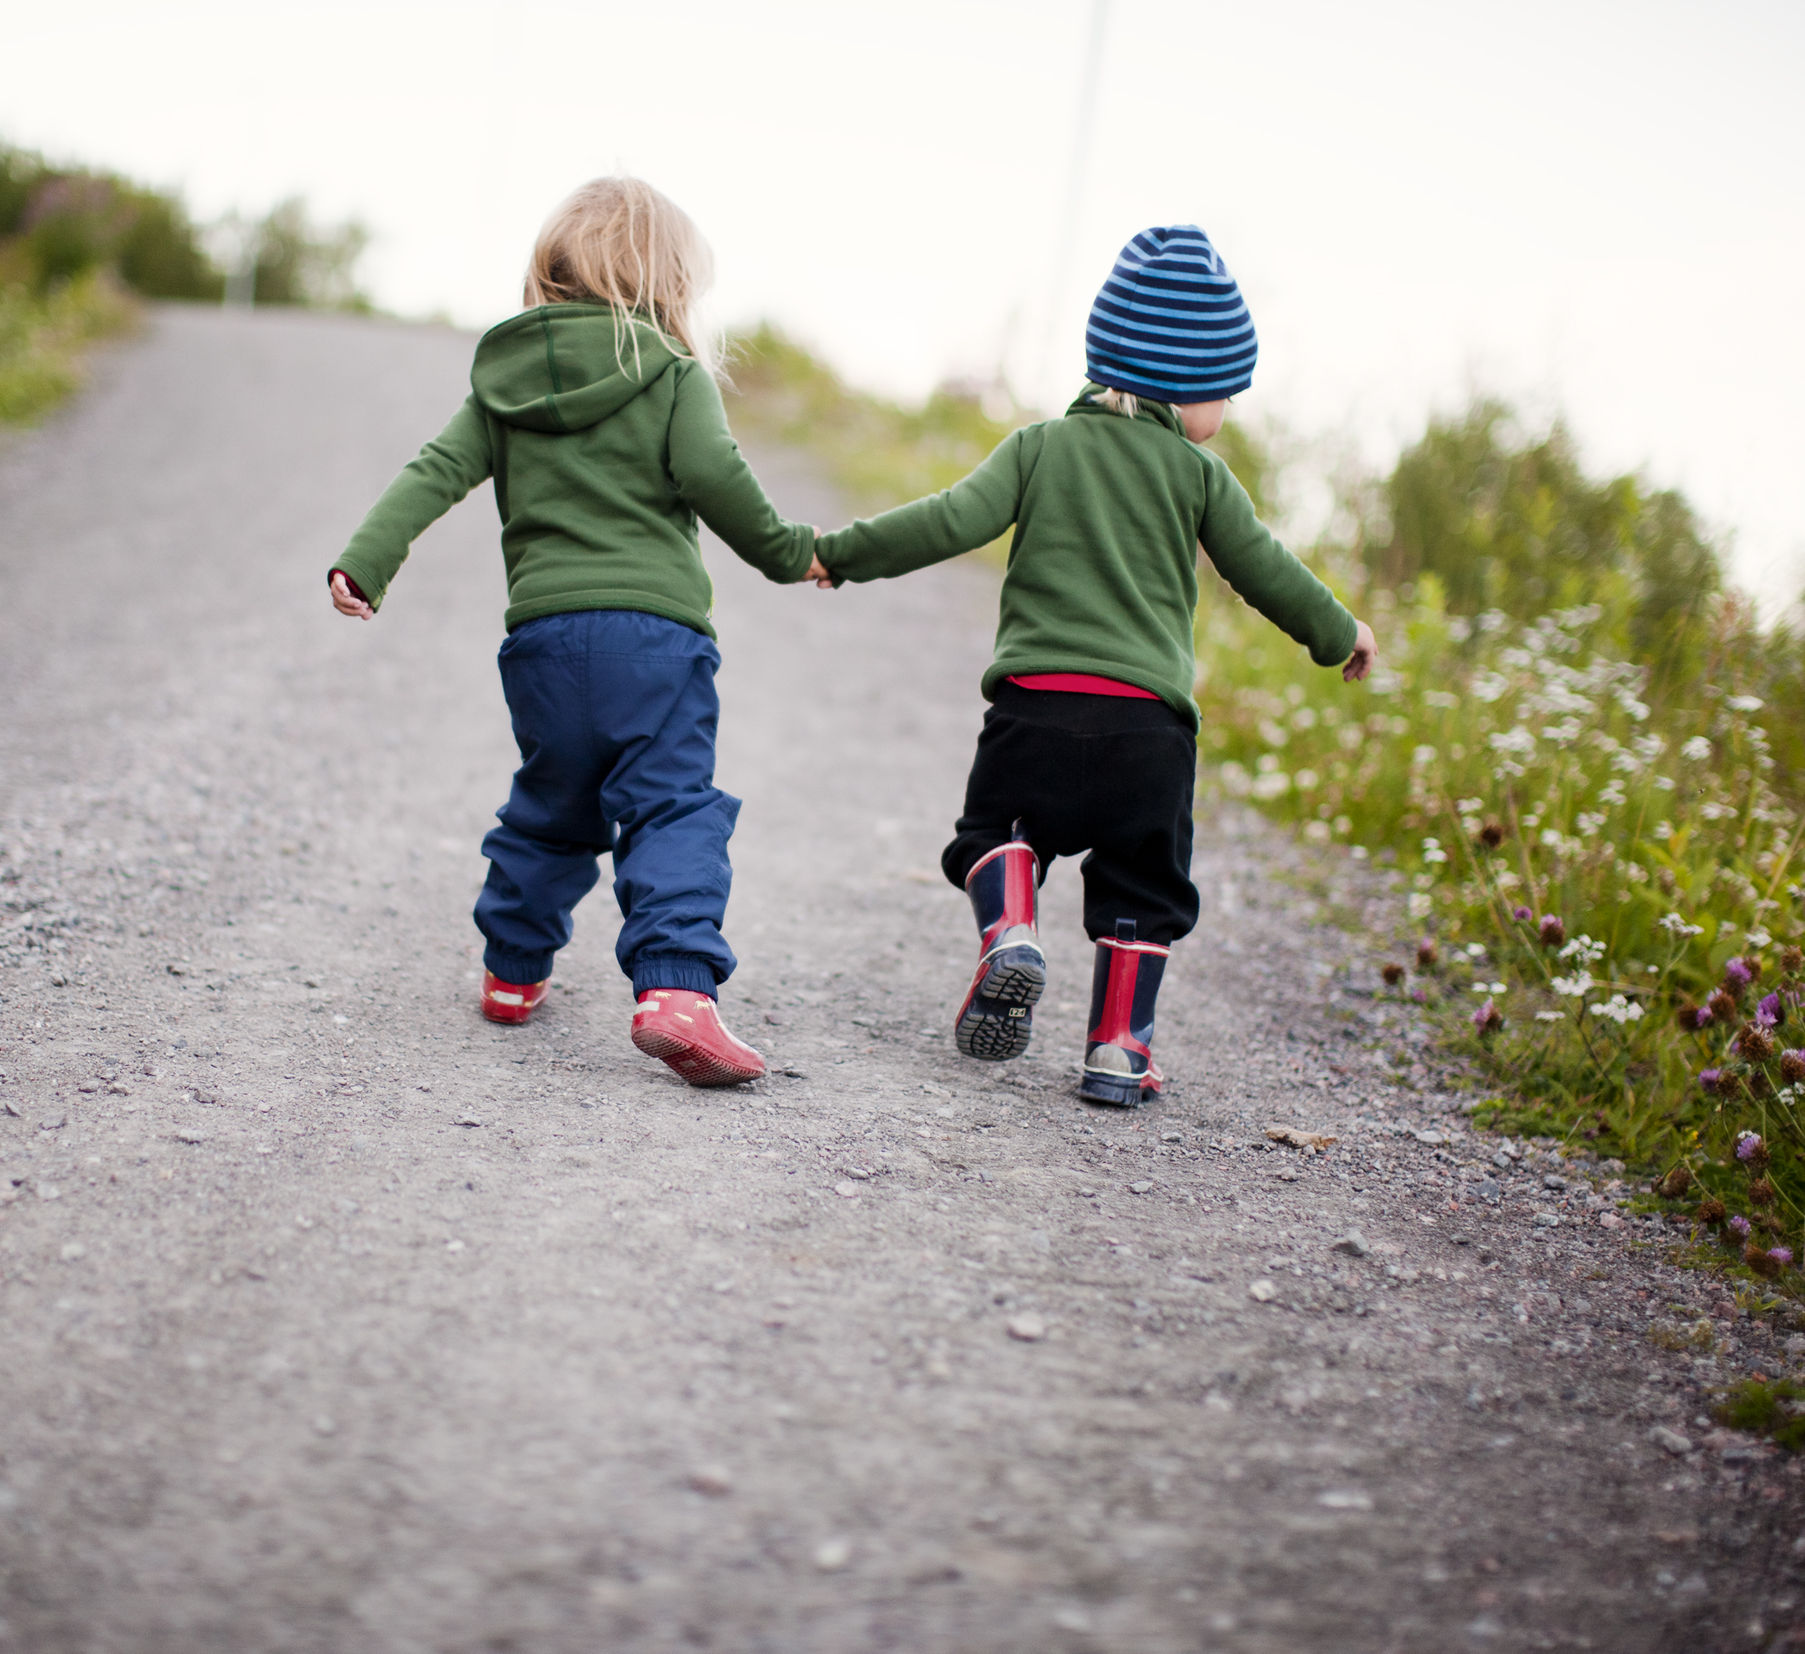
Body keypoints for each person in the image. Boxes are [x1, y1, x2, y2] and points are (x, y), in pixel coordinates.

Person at [809, 225, 1378, 1106]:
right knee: (1141, 889)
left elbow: (947, 519)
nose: (1224, 412)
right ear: (1187, 385)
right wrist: (1339, 634)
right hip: (1148, 735)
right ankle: (1118, 1049)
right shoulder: (1201, 475)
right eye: (1223, 391)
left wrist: (840, 552)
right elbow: (1265, 570)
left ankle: (1009, 927)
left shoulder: (1038, 448)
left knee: (994, 835)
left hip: (1033, 711)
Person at [327, 177, 819, 1088]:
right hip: (659, 643)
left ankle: (512, 969)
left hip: (545, 642)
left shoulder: (502, 384)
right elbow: (719, 478)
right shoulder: (674, 377)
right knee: (671, 804)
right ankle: (674, 989)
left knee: (554, 805)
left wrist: (366, 560)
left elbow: (434, 471)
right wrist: (792, 555)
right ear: (670, 286)